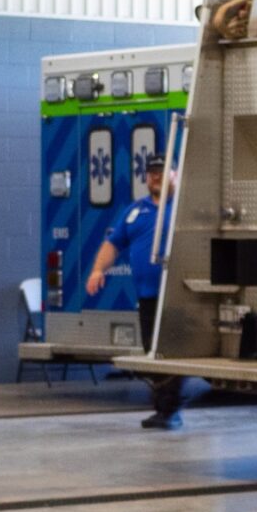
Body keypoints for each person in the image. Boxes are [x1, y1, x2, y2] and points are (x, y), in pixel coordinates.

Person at [87, 174, 186, 430]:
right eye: (152, 173)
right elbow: (113, 243)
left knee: (173, 351)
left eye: (163, 172)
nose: (156, 177)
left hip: (177, 295)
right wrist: (98, 270)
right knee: (150, 350)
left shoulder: (183, 206)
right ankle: (163, 408)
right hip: (147, 296)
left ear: (176, 176)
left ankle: (170, 410)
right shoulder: (135, 211)